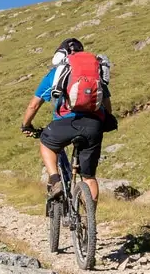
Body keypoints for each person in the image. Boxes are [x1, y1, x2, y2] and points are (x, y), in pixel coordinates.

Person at [19, 38, 115, 209]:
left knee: (47, 143)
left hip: (65, 124)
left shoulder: (55, 74)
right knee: (89, 177)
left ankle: (55, 180)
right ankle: (88, 222)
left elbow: (33, 105)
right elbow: (107, 107)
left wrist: (26, 125)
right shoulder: (94, 73)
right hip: (93, 126)